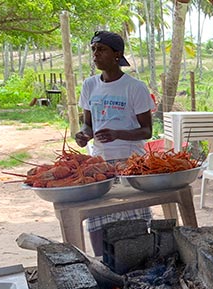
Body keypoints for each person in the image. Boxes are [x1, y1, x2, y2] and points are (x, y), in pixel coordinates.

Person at [75, 31, 154, 256]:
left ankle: (141, 259)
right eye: (93, 49)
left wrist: (118, 134)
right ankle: (102, 263)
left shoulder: (135, 87)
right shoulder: (90, 86)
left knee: (134, 217)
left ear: (117, 54)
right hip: (100, 164)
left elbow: (147, 131)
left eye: (101, 49)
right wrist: (84, 135)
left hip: (131, 164)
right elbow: (88, 124)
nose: (95, 54)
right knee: (97, 217)